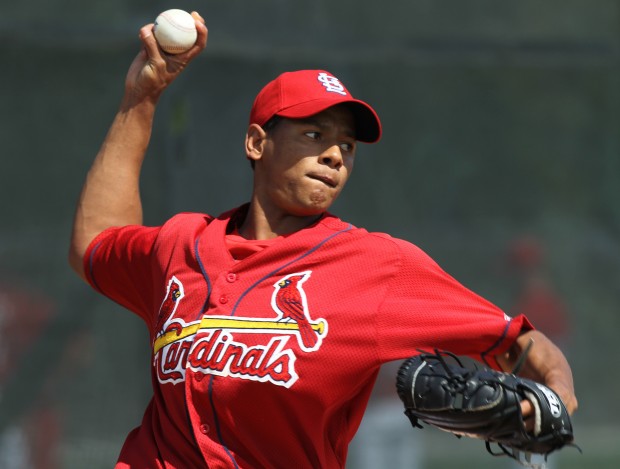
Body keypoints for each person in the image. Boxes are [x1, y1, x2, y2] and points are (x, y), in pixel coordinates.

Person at [68, 11, 578, 469]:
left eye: (347, 145)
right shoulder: (181, 244)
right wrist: (142, 97)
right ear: (256, 142)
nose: (336, 155)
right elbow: (96, 243)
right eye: (314, 134)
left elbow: (519, 342)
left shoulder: (377, 264)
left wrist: (553, 402)